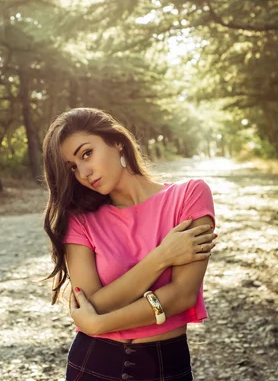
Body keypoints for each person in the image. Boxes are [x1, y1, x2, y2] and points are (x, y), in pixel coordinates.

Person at [42, 108, 218, 381]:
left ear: (117, 141)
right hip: (92, 363)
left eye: (86, 153)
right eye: (73, 168)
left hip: (165, 364)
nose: (84, 172)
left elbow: (183, 295)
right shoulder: (81, 221)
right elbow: (90, 302)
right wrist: (161, 257)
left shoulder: (190, 195)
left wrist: (101, 323)